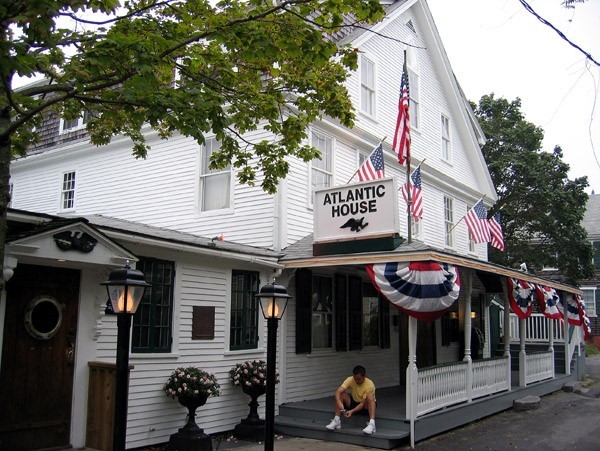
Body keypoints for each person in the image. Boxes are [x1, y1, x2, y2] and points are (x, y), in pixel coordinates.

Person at [325, 365, 376, 435]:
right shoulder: (350, 379)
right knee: (341, 394)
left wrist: (352, 411)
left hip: (365, 407)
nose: (356, 381)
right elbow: (338, 392)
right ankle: (336, 420)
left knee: (370, 397)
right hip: (354, 402)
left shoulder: (370, 384)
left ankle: (372, 424)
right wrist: (339, 402)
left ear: (364, 376)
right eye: (355, 378)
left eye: (358, 379)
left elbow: (362, 404)